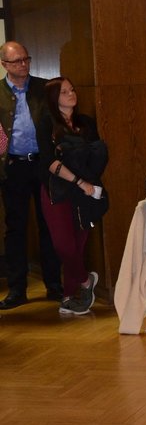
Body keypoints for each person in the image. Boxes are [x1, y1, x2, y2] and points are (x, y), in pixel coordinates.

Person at [37, 77, 109, 315]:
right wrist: (78, 180)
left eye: (72, 89)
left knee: (78, 245)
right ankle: (87, 281)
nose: (71, 94)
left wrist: (85, 178)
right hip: (58, 190)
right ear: (53, 98)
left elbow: (96, 156)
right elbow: (49, 161)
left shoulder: (85, 122)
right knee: (64, 245)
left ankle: (69, 296)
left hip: (85, 192)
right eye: (64, 92)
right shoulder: (47, 123)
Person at [0, 40, 62, 308]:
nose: (23, 64)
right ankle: (17, 289)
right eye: (17, 61)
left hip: (43, 165)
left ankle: (54, 285)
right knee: (16, 228)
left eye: (26, 59)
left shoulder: (43, 88)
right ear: (4, 64)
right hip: (14, 168)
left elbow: (58, 123)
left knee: (49, 224)